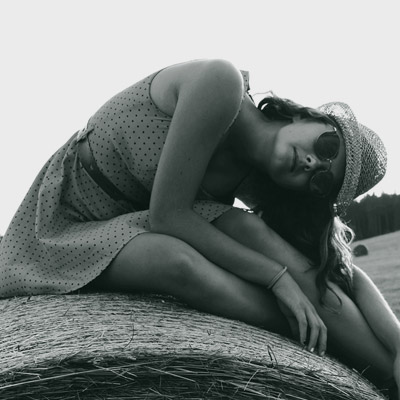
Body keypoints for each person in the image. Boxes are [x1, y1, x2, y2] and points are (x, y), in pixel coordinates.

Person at [0, 59, 399, 397]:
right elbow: (168, 216)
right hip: (66, 221)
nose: (313, 164)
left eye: (321, 182)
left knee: (252, 232)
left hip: (127, 226)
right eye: (327, 147)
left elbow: (330, 271)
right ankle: (330, 342)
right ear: (307, 116)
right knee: (176, 261)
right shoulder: (220, 83)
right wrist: (275, 278)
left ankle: (388, 375)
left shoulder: (257, 179)